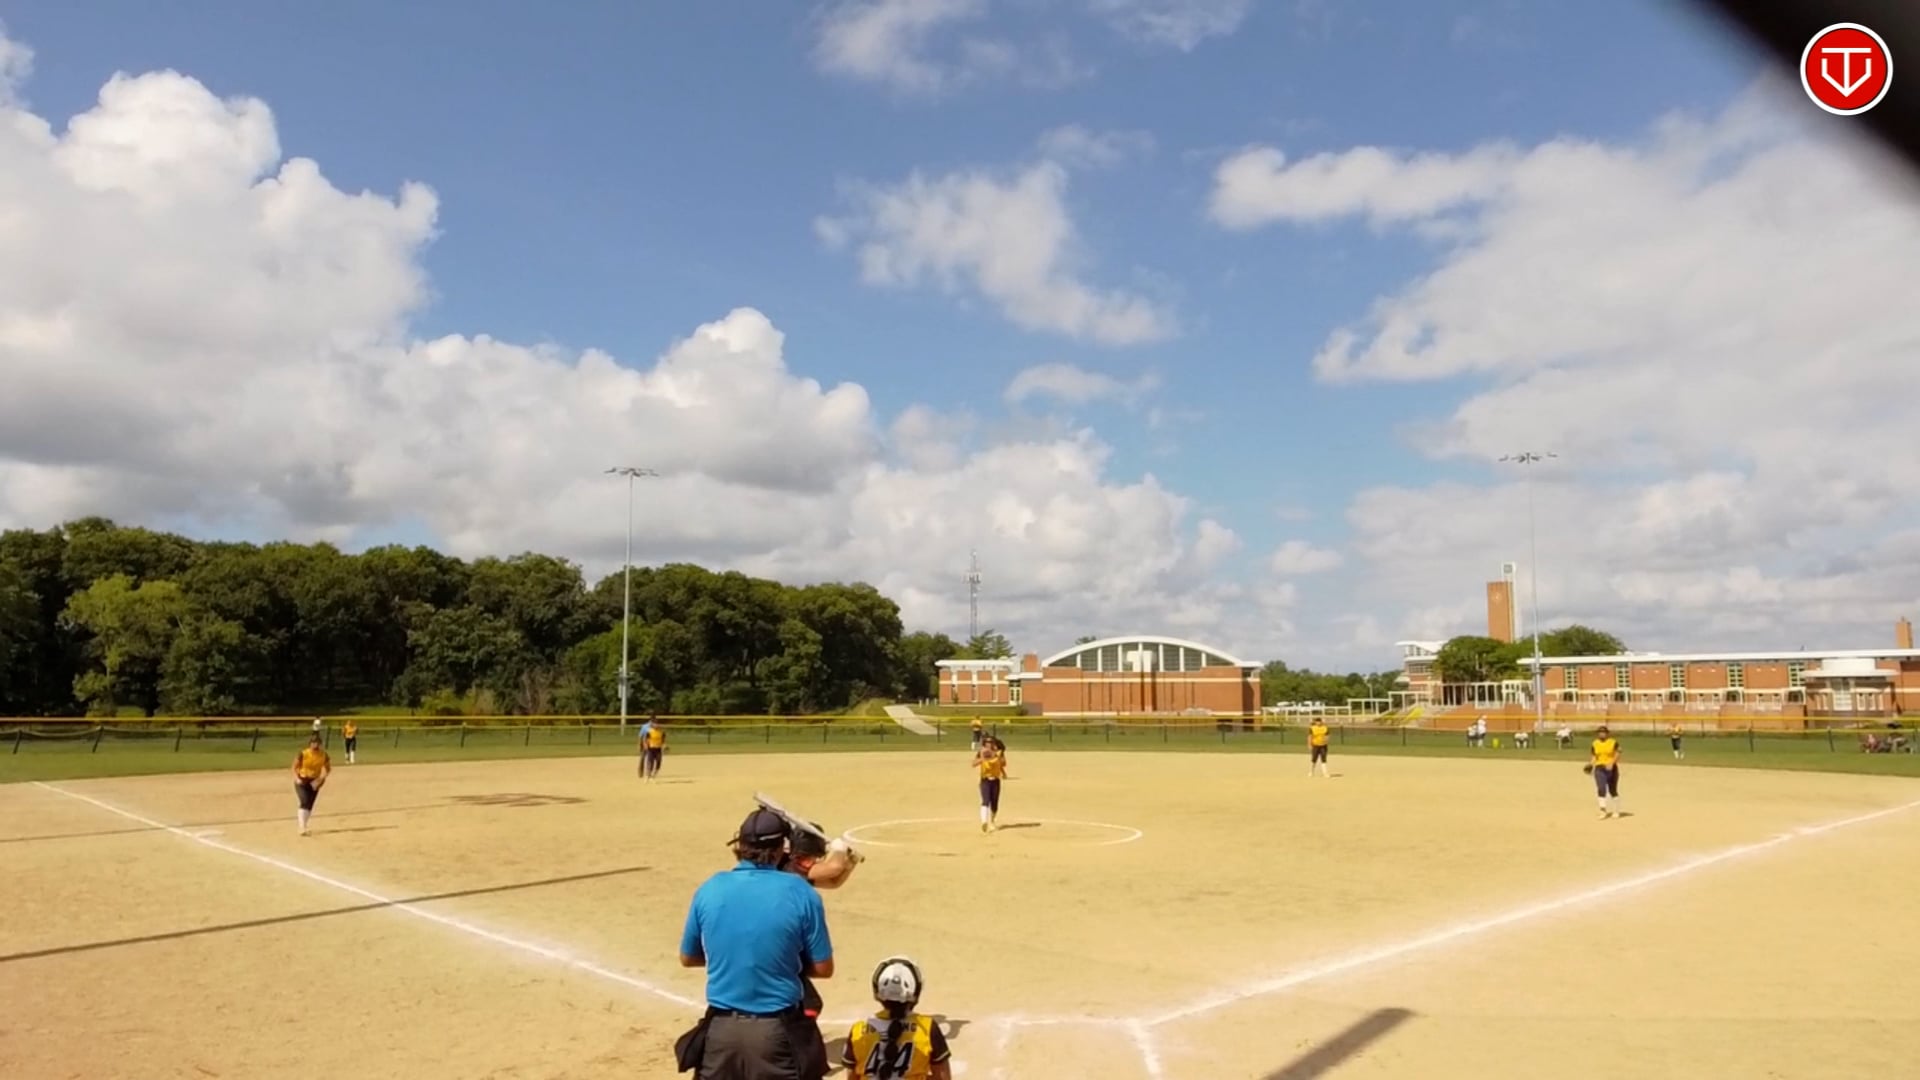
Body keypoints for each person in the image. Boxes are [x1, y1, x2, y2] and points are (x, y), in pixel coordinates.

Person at [678, 808, 835, 1079]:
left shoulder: (709, 888)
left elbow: (688, 957)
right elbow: (823, 968)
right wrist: (778, 961)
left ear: (740, 846)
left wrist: (732, 957)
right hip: (777, 1034)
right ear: (781, 849)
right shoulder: (801, 892)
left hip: (720, 1032)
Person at [842, 957, 953, 1080]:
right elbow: (943, 1077)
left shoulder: (858, 1030)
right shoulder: (928, 1028)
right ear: (915, 992)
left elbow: (852, 1077)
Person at [292, 734, 331, 836]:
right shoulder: (303, 753)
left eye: (317, 742)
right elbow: (294, 767)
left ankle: (304, 825)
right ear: (310, 743)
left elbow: (327, 769)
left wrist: (321, 779)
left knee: (309, 804)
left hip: (314, 781)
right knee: (304, 801)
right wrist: (296, 778)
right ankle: (302, 827)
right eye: (313, 742)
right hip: (302, 780)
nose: (315, 744)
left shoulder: (323, 755)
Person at [973, 735, 1007, 833]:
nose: (989, 745)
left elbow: (1003, 764)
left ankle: (992, 821)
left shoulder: (998, 752)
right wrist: (982, 758)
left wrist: (998, 756)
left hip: (995, 780)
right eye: (987, 743)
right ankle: (984, 822)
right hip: (985, 780)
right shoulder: (982, 752)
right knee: (985, 801)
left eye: (991, 743)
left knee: (994, 804)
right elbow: (973, 764)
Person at [1588, 724, 1622, 819]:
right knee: (1601, 788)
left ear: (1607, 733)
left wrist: (1612, 763)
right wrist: (1591, 764)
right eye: (1600, 732)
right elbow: (1594, 756)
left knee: (1612, 790)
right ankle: (1602, 810)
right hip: (1600, 768)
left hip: (1612, 768)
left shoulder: (1613, 742)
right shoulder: (1595, 743)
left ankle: (1616, 810)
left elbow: (1618, 753)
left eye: (1603, 732)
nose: (1601, 734)